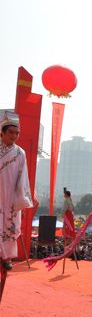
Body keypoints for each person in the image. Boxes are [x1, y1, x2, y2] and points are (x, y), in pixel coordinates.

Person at [0, 111, 34, 270]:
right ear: (2, 132)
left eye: (17, 133)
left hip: (10, 197)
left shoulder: (20, 153)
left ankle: (6, 257)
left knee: (9, 226)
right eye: (11, 132)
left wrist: (22, 200)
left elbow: (23, 178)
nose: (14, 136)